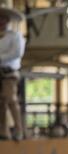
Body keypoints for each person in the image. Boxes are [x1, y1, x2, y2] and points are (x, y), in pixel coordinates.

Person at [0, 1, 25, 141]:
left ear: (7, 20)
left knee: (10, 99)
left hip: (9, 73)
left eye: (2, 18)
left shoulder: (15, 36)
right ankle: (4, 132)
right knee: (1, 103)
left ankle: (19, 129)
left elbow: (16, 53)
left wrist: (1, 58)